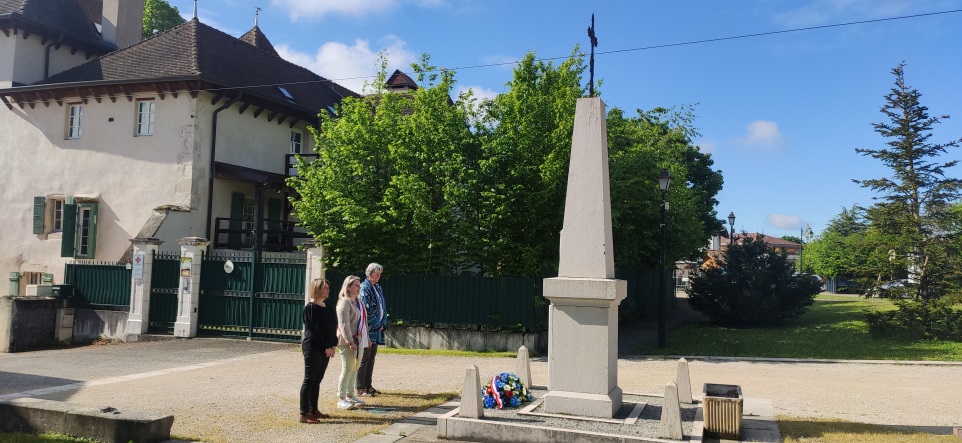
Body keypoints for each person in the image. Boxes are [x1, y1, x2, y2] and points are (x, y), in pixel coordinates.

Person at [299, 278, 337, 424]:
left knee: (317, 380)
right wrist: (325, 347)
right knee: (309, 380)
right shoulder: (310, 308)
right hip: (313, 348)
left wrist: (333, 345)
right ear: (317, 289)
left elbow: (333, 328)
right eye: (325, 288)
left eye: (328, 287)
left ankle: (314, 409)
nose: (328, 290)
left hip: (326, 349)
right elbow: (314, 330)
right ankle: (304, 413)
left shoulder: (328, 307)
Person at [335, 275, 369, 410]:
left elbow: (363, 322)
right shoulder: (344, 302)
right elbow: (344, 324)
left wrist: (367, 339)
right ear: (348, 287)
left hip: (358, 340)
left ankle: (350, 395)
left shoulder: (358, 302)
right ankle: (341, 398)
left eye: (359, 285)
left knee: (355, 368)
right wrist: (350, 341)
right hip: (347, 341)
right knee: (347, 368)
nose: (359, 287)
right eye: (356, 285)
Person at [357, 262, 387, 397]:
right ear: (370, 274)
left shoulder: (378, 287)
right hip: (369, 329)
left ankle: (368, 386)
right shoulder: (364, 288)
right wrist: (377, 324)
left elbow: (383, 307)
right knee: (365, 357)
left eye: (380, 274)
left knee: (372, 357)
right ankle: (360, 387)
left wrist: (383, 323)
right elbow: (366, 310)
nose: (379, 276)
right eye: (377, 274)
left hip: (378, 328)